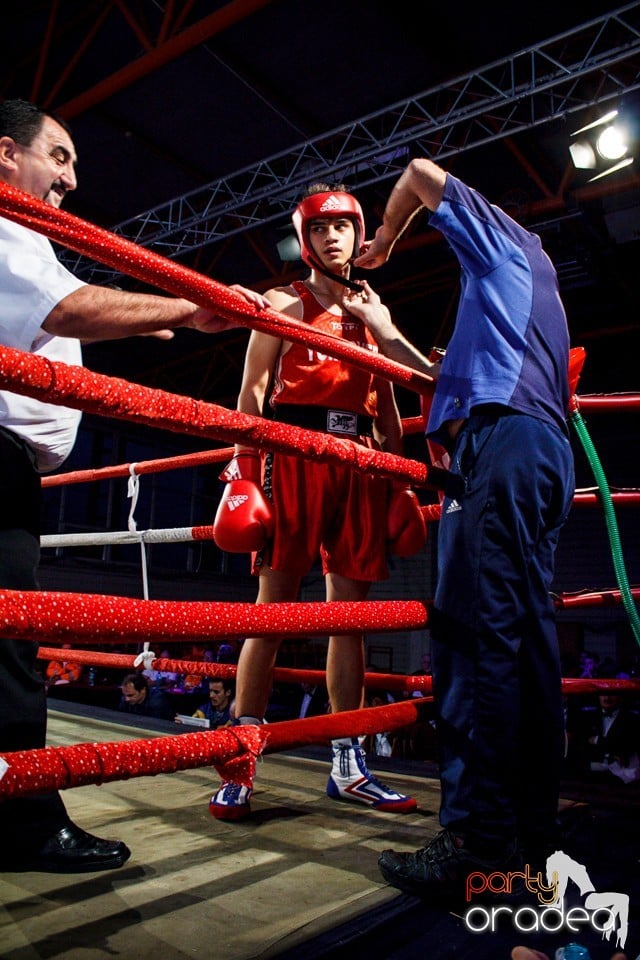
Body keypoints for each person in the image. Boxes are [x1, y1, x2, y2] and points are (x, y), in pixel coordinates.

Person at [0, 98, 269, 873]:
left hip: (8, 464)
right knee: (11, 642)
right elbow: (71, 306)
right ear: (5, 155)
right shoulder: (6, 227)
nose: (72, 179)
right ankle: (22, 826)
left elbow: (66, 311)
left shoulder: (29, 240)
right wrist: (186, 308)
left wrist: (140, 318)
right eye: (59, 156)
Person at [346, 156, 575, 899]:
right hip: (537, 453)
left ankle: (478, 845)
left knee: (477, 645)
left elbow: (417, 173)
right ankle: (531, 837)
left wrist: (382, 238)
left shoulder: (506, 241)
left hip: (502, 449)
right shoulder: (527, 296)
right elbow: (442, 378)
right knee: (525, 645)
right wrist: (386, 332)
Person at [210, 182, 427, 820]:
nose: (333, 237)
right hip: (294, 454)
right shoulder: (286, 301)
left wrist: (400, 477)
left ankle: (348, 763)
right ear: (305, 240)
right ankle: (240, 758)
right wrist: (247, 470)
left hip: (358, 461)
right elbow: (250, 393)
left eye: (343, 227)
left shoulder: (371, 312)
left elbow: (387, 402)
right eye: (321, 229)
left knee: (349, 616)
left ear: (361, 236)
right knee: (273, 608)